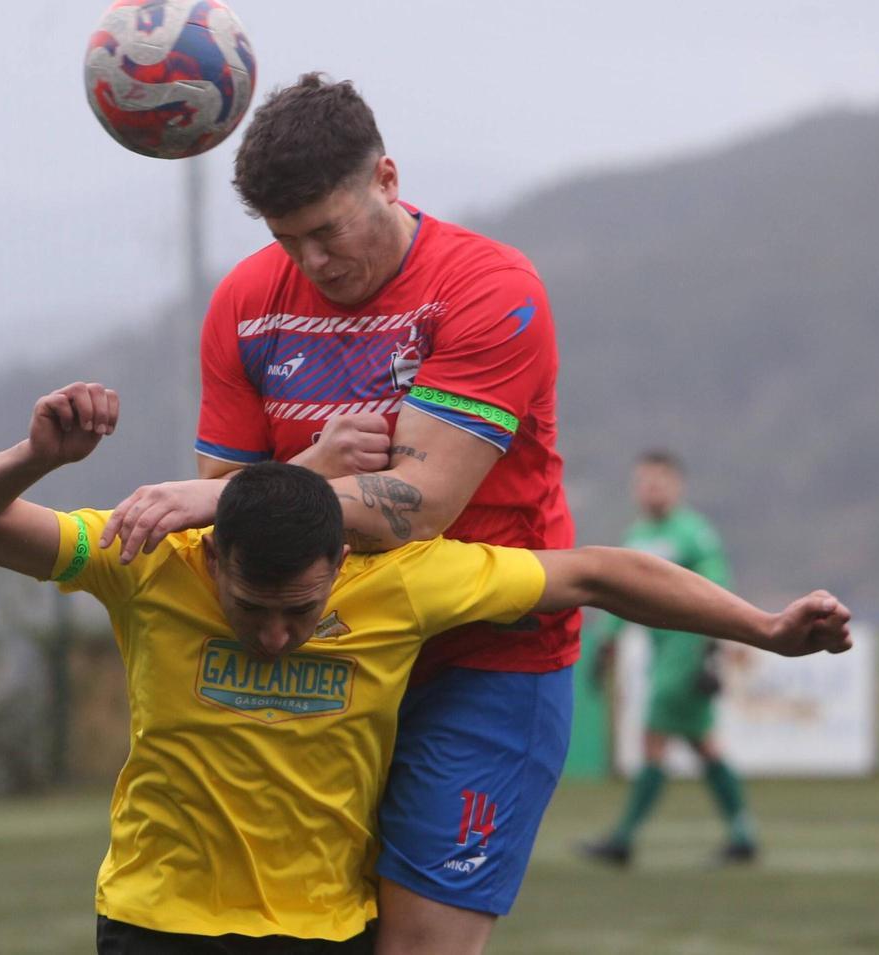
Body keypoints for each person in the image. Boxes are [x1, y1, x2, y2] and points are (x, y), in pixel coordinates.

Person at [0, 382, 852, 954]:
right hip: (158, 925)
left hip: (327, 932)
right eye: (252, 610)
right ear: (213, 558)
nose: (277, 636)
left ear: (343, 564)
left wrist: (765, 628)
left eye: (302, 612)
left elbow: (598, 571)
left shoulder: (400, 582)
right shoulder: (148, 561)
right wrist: (33, 456)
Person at [100, 73, 578, 954]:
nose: (313, 261)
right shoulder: (248, 302)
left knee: (414, 946)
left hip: (482, 660)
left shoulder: (486, 288)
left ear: (387, 180)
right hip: (325, 650)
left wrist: (234, 490)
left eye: (328, 230)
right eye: (289, 239)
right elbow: (251, 533)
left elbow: (419, 505)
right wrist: (300, 474)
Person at [580, 450, 756, 866]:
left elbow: (717, 585)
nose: (650, 489)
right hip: (660, 651)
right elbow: (620, 592)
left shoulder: (694, 533)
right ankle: (742, 834)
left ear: (677, 486)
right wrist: (608, 641)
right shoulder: (637, 536)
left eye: (659, 481)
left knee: (654, 738)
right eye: (643, 481)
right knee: (704, 744)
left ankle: (623, 839)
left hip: (688, 646)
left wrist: (712, 647)